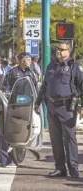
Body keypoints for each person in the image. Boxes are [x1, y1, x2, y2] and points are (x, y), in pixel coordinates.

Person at [34, 41, 82, 178]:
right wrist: (38, 103)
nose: (59, 51)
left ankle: (73, 169)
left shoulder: (73, 67)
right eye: (57, 49)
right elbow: (44, 86)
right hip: (51, 106)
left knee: (69, 139)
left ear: (68, 51)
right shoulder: (51, 66)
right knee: (55, 140)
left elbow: (81, 86)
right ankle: (60, 168)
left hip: (66, 107)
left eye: (62, 49)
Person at [1, 52, 41, 160]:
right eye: (27, 59)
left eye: (30, 59)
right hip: (15, 104)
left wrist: (38, 100)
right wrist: (8, 94)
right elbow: (5, 86)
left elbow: (35, 88)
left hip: (28, 104)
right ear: (21, 60)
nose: (29, 61)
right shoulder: (12, 72)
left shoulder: (31, 73)